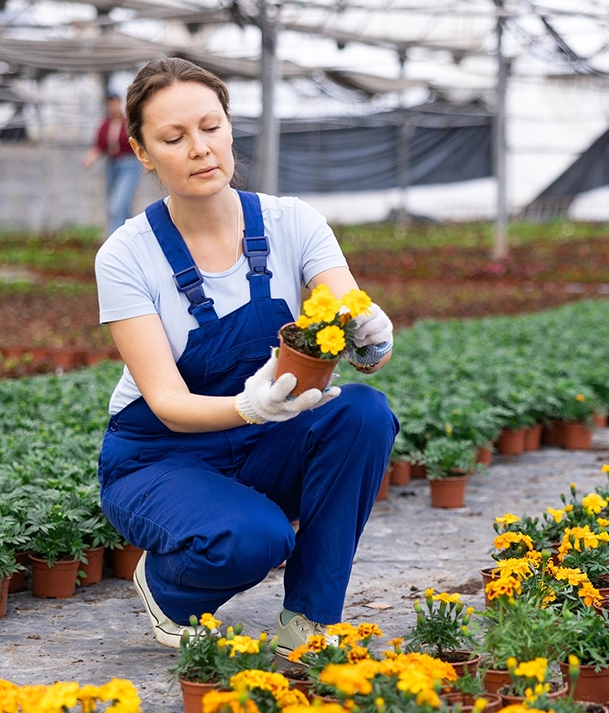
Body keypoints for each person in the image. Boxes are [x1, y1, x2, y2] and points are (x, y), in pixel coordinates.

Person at [94, 58, 398, 655]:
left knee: (363, 414)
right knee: (252, 540)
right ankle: (168, 587)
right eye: (174, 138)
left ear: (231, 128)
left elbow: (346, 309)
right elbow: (169, 404)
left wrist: (372, 335)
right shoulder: (126, 256)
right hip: (161, 455)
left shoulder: (292, 223)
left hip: (265, 439)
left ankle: (308, 622)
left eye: (211, 127)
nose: (200, 149)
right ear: (143, 151)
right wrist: (250, 406)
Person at [84, 93, 143, 239]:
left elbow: (139, 141)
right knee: (122, 207)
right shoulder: (105, 124)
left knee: (117, 205)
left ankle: (113, 242)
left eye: (115, 103)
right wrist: (90, 157)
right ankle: (131, 239)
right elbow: (100, 145)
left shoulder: (128, 123)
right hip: (112, 166)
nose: (113, 107)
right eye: (110, 104)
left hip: (129, 165)